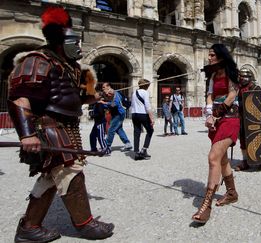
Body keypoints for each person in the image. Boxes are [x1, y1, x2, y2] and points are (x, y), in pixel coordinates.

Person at [7, 7, 114, 242]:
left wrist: (98, 96)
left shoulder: (72, 67)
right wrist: (27, 135)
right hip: (48, 127)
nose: (80, 47)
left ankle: (29, 227)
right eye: (75, 41)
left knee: (50, 178)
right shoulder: (37, 60)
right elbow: (19, 99)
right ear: (60, 41)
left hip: (67, 127)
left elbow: (76, 97)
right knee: (72, 173)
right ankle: (85, 224)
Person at [192, 43, 240, 223]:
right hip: (216, 120)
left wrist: (216, 115)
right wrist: (208, 112)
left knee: (213, 157)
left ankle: (206, 205)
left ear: (220, 56)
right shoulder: (212, 75)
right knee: (222, 158)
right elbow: (210, 95)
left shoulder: (232, 73)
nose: (209, 58)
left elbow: (231, 96)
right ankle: (232, 193)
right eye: (209, 55)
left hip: (230, 119)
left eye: (212, 55)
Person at [233, 68, 261, 171]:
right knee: (243, 140)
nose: (241, 78)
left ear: (249, 78)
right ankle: (245, 160)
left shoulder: (256, 88)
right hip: (242, 118)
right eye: (240, 76)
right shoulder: (237, 89)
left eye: (244, 76)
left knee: (257, 138)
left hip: (255, 119)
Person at [101, 82, 132, 153]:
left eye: (103, 87)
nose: (102, 89)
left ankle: (107, 146)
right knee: (119, 129)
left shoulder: (115, 93)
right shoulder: (109, 93)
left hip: (119, 113)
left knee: (111, 129)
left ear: (108, 86)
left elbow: (115, 104)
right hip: (116, 113)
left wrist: (105, 103)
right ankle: (127, 143)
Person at [131, 79, 154, 160]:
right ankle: (144, 149)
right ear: (146, 86)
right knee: (150, 130)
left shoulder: (134, 93)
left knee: (136, 133)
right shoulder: (145, 92)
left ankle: (136, 153)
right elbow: (147, 106)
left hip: (134, 114)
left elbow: (132, 105)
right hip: (142, 114)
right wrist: (152, 118)